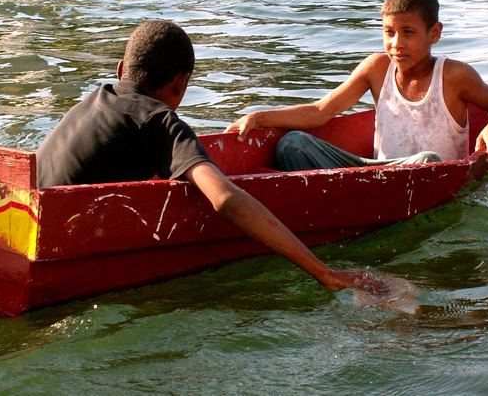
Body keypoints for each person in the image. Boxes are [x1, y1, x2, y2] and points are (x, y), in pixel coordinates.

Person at [36, 20, 385, 293]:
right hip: (62, 248)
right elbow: (225, 199)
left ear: (120, 68)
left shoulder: (93, 101)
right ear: (181, 83)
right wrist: (324, 272)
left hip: (33, 227)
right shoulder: (161, 122)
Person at [227, 0, 488, 171]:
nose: (397, 44)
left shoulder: (454, 75)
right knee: (293, 144)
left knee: (428, 162)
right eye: (389, 32)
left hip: (427, 173)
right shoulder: (376, 68)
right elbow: (321, 111)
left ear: (435, 34)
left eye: (408, 33)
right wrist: (260, 117)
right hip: (376, 171)